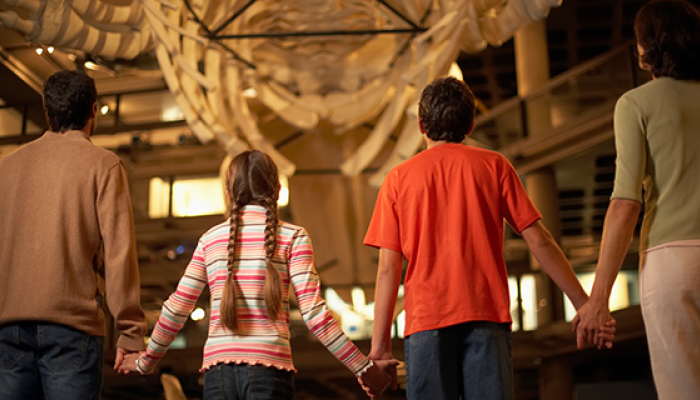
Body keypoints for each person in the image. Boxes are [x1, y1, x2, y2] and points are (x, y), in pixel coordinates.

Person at [363, 76, 615, 400]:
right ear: (470, 125)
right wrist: (584, 304)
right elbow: (540, 240)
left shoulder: (397, 179)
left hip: (425, 320)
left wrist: (380, 347)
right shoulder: (495, 165)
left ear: (421, 126)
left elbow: (388, 268)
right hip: (487, 316)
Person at [120, 150, 397, 399]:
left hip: (218, 374)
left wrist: (146, 360)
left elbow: (177, 306)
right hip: (270, 373)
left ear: (229, 192)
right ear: (277, 190)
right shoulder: (293, 236)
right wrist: (362, 367)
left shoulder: (210, 239)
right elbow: (314, 316)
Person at [574, 1, 700, 398]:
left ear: (649, 47)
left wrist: (598, 300)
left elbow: (626, 203)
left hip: (672, 258)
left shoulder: (636, 104)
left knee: (683, 387)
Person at [0, 70, 147, 399]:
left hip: (7, 330)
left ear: (46, 108)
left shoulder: (5, 168)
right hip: (71, 329)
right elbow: (119, 255)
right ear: (93, 110)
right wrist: (130, 333)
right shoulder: (103, 165)